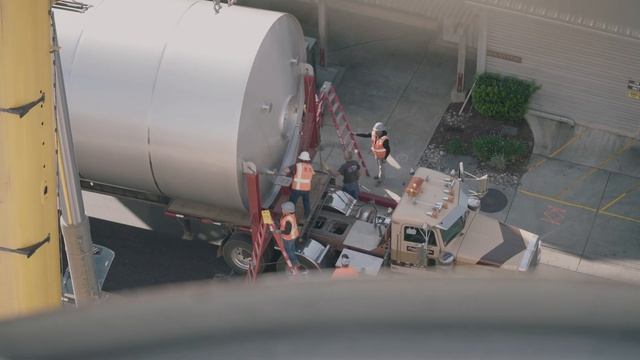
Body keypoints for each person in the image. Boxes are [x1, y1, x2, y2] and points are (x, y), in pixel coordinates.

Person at [286, 151, 315, 218]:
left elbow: (286, 170)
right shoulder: (310, 167)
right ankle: (307, 215)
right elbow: (312, 174)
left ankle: (290, 215)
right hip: (306, 189)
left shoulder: (297, 165)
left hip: (297, 188)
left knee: (292, 203)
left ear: (300, 158)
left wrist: (292, 173)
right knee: (306, 202)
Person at [277, 201, 301, 271]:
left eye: (283, 209)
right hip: (293, 236)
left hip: (289, 238)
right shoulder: (291, 216)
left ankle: (295, 262)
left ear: (287, 211)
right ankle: (295, 260)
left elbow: (287, 232)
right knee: (292, 249)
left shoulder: (288, 219)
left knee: (288, 251)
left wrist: (279, 231)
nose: (282, 210)